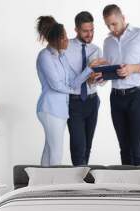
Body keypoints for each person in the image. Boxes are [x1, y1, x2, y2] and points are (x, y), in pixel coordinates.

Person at [35, 16, 105, 166]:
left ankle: (43, 185)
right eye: (64, 38)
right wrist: (76, 92)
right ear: (56, 39)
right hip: (51, 108)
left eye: (91, 30)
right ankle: (53, 188)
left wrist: (91, 70)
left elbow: (73, 82)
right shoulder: (45, 56)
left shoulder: (60, 57)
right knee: (57, 152)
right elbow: (57, 85)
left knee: (50, 150)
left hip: (64, 108)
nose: (67, 40)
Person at [102, 4, 140, 165]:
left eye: (114, 23)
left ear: (123, 18)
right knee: (124, 148)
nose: (111, 28)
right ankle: (126, 188)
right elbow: (109, 70)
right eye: (108, 25)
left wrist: (133, 68)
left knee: (137, 146)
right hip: (116, 97)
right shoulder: (107, 42)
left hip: (137, 96)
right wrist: (100, 76)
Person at [64, 11, 104, 166]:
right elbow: (71, 84)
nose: (89, 34)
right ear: (76, 30)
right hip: (74, 103)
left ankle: (83, 184)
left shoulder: (96, 49)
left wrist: (98, 78)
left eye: (92, 30)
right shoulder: (65, 49)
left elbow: (99, 82)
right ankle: (78, 186)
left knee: (87, 147)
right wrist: (89, 69)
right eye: (85, 31)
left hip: (92, 102)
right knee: (78, 147)